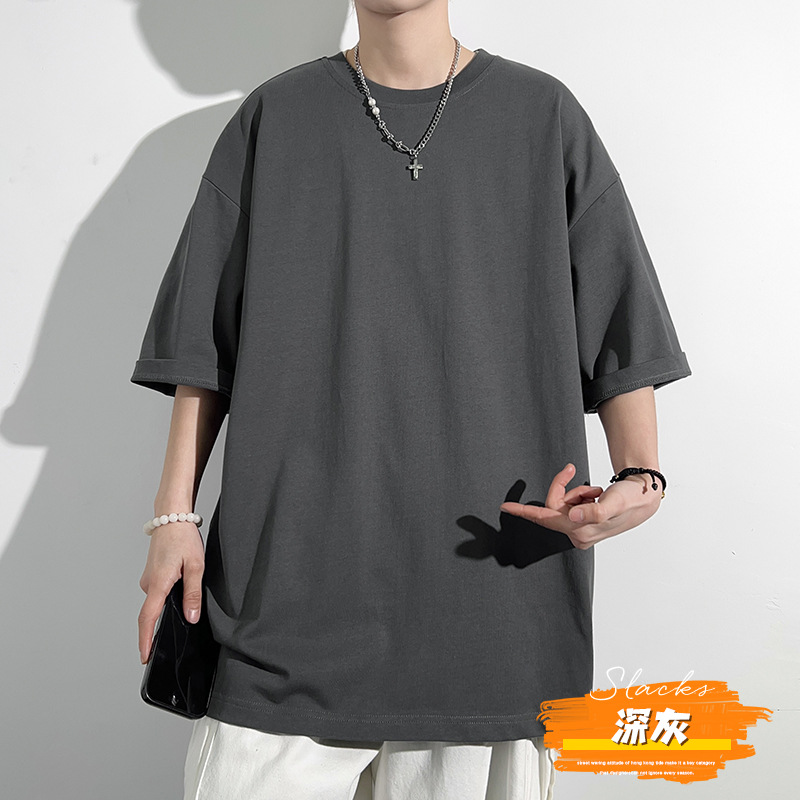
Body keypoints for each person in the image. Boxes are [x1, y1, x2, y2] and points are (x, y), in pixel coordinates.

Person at [131, 1, 692, 798]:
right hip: (284, 603)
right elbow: (202, 345)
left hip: (493, 610)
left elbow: (620, 325)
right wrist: (172, 517)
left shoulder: (544, 116)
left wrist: (641, 476)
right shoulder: (275, 118)